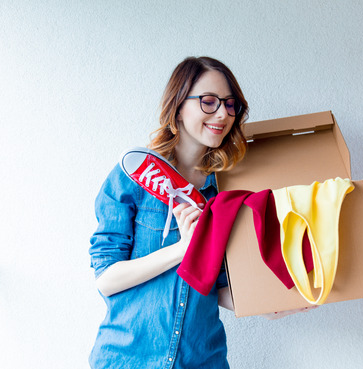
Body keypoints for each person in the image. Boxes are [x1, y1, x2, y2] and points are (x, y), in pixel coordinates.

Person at [89, 56, 313, 369]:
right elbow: (106, 278)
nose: (223, 113)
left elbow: (218, 284)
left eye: (230, 104)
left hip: (202, 360)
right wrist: (183, 250)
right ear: (178, 106)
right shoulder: (134, 176)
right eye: (208, 102)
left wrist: (269, 303)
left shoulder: (228, 194)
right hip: (128, 358)